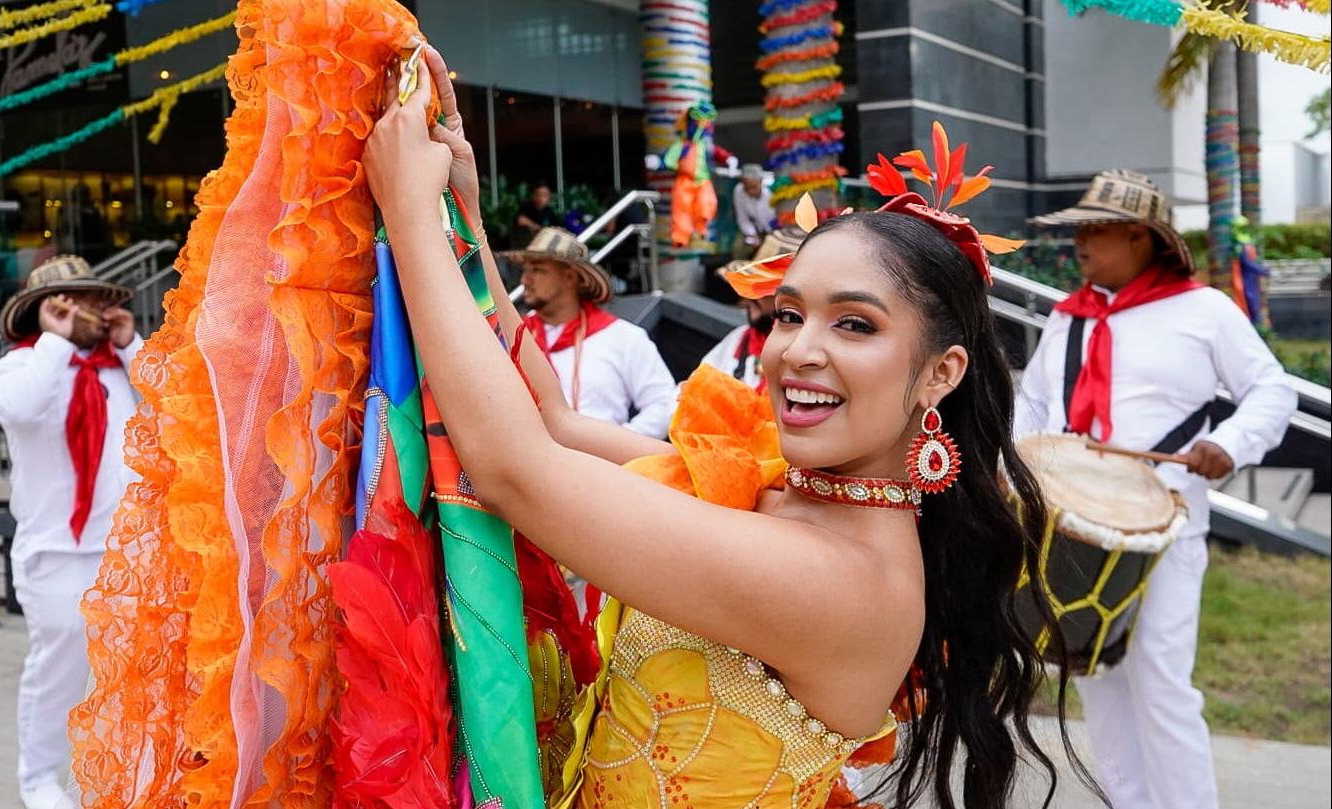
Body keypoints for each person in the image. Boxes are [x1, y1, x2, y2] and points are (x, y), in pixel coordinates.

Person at [364, 50, 1091, 808]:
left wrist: (410, 218)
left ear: (941, 373)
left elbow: (516, 470)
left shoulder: (849, 584)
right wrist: (463, 220)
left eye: (853, 323)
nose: (797, 351)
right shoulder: (767, 490)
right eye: (788, 314)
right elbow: (553, 420)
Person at [1017, 170, 1297, 809]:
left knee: (1162, 686)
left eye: (1096, 230)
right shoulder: (1071, 318)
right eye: (1078, 231)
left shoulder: (1205, 311)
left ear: (1143, 239)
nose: (1080, 244)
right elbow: (1032, 404)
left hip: (1167, 528)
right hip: (1076, 529)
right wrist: (1021, 465)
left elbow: (1273, 390)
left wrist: (1229, 444)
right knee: (1097, 684)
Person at [0, 255, 141, 809]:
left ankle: (119, 776)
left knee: (128, 673)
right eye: (79, 301)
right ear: (48, 309)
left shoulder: (118, 367)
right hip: (56, 553)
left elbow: (172, 411)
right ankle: (38, 779)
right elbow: (19, 408)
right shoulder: (21, 368)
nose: (96, 312)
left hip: (125, 553)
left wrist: (129, 345)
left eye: (98, 300)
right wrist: (55, 342)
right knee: (58, 669)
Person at [505, 226, 677, 439]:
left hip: (604, 466)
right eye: (525, 270)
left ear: (569, 278)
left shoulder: (623, 337)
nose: (525, 280)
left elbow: (664, 403)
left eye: (538, 270)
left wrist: (616, 446)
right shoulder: (511, 338)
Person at [701, 227, 803, 390]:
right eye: (748, 284)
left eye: (762, 288)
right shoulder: (739, 339)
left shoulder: (809, 360)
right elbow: (684, 397)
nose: (747, 296)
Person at [732, 163, 774, 259]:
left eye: (754, 187)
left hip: (772, 231)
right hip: (753, 230)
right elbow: (742, 218)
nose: (751, 191)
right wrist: (753, 234)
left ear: (761, 181)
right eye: (747, 188)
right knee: (738, 248)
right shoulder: (738, 191)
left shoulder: (771, 192)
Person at [513, 181, 559, 246]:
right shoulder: (526, 207)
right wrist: (538, 228)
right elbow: (521, 220)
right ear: (534, 196)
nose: (541, 198)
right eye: (539, 194)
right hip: (525, 243)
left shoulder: (549, 211)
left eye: (545, 195)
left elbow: (555, 227)